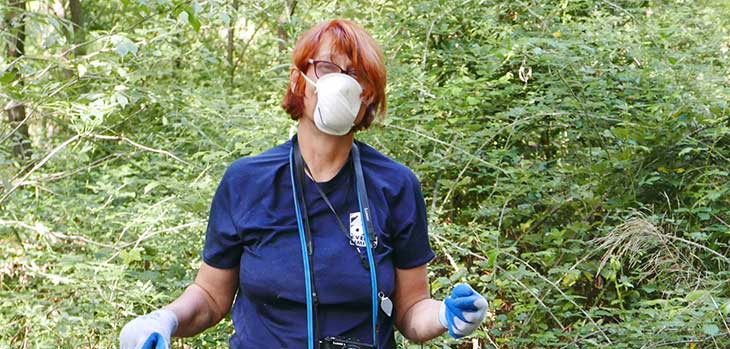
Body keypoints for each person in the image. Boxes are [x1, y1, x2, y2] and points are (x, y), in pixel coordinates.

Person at [119, 19, 488, 349]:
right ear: (300, 78)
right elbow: (211, 299)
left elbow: (410, 310)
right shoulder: (247, 181)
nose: (341, 83)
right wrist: (165, 319)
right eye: (327, 67)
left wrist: (444, 316)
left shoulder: (395, 185)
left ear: (369, 96)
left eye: (356, 75)